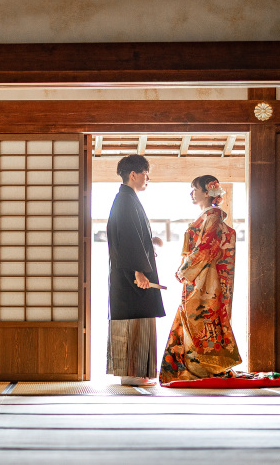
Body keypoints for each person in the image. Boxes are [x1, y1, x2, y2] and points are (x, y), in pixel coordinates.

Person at [159, 175, 241, 384]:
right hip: (200, 276)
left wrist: (185, 269)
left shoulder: (212, 216)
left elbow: (206, 247)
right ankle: (198, 368)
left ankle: (202, 370)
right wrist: (184, 268)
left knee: (201, 318)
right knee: (195, 318)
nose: (191, 193)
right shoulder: (207, 215)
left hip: (206, 279)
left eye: (194, 189)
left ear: (207, 192)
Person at [106, 154, 165, 386]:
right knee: (133, 318)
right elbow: (128, 238)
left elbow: (135, 236)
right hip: (131, 274)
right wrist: (139, 271)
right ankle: (132, 374)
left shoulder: (127, 199)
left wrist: (151, 243)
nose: (147, 178)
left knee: (137, 318)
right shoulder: (125, 200)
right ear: (134, 175)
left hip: (130, 270)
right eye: (145, 174)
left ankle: (135, 372)